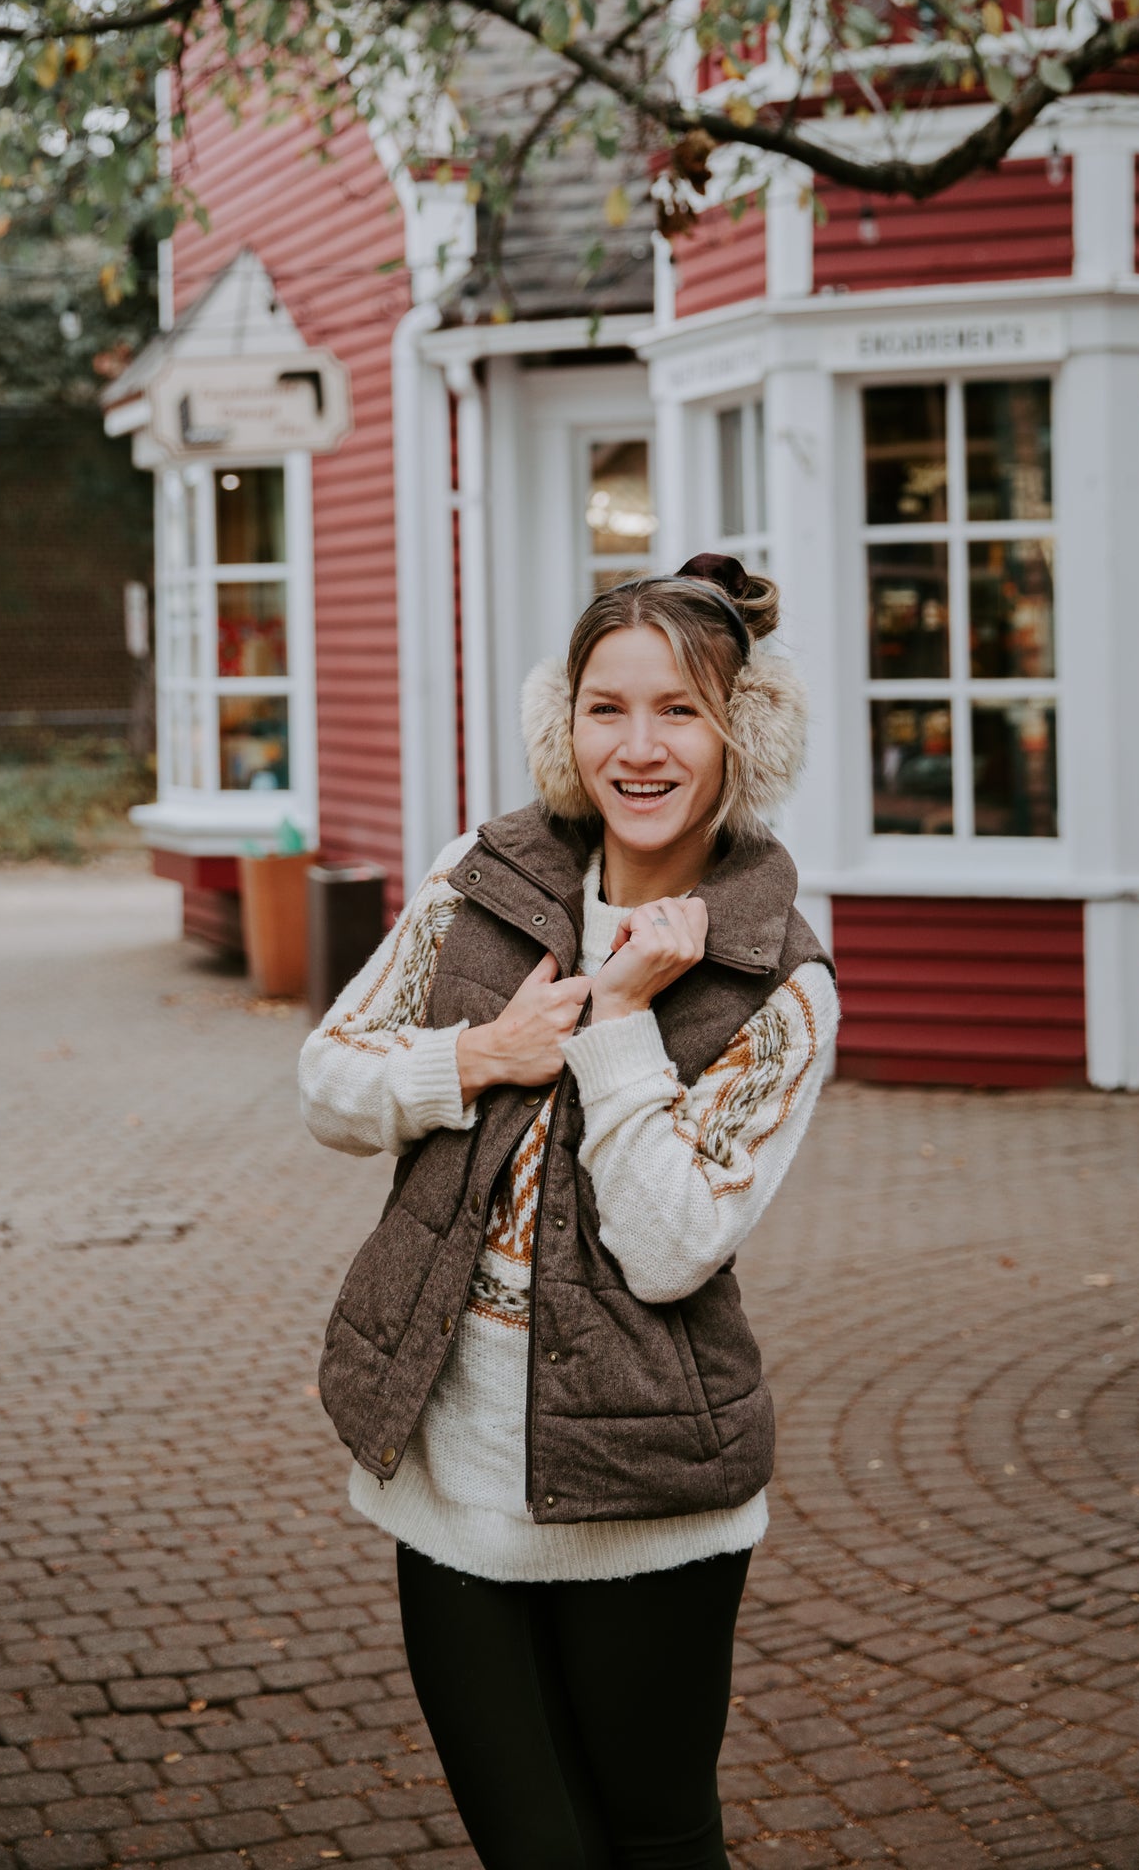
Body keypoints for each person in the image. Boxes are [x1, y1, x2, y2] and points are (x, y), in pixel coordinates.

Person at [298, 553, 839, 1870]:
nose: (637, 748)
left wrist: (616, 1027)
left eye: (679, 711)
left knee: (653, 1840)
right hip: (446, 1456)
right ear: (564, 724)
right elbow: (328, 1079)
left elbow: (667, 1251)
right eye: (606, 707)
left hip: (645, 1487)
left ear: (740, 733)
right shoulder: (480, 881)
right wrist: (475, 1058)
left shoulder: (780, 981)